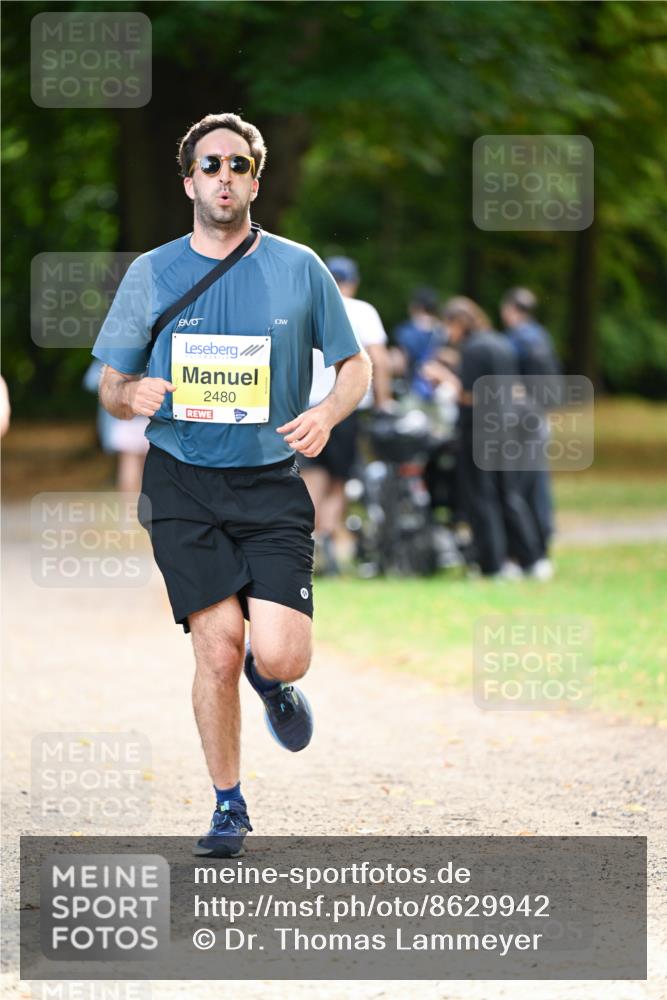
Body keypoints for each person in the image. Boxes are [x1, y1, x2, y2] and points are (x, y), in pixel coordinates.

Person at [92, 112, 371, 857]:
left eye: (238, 165)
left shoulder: (298, 267)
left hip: (271, 481)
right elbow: (113, 385)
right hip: (182, 482)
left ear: (255, 178)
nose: (224, 176)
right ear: (189, 180)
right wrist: (133, 396)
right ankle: (227, 804)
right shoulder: (151, 273)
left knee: (281, 654)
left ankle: (270, 679)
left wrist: (326, 414)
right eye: (210, 165)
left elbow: (355, 367)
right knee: (213, 651)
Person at [422, 297, 544, 579]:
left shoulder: (474, 349)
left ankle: (493, 563)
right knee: (508, 495)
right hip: (507, 427)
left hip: (479, 431)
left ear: (459, 322)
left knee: (481, 497)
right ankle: (531, 558)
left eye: (449, 326)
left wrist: (443, 376)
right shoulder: (500, 343)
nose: (448, 333)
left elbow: (469, 394)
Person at [299, 256, 392, 574]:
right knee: (339, 480)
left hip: (308, 404)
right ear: (353, 282)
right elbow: (378, 359)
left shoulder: (308, 305)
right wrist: (384, 402)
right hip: (347, 406)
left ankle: (307, 539)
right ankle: (326, 537)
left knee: (311, 476)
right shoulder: (363, 311)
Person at [500, 287, 559, 565]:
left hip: (521, 421)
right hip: (540, 418)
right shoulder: (541, 337)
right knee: (538, 483)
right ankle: (541, 543)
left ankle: (527, 552)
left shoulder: (516, 340)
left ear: (511, 310)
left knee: (518, 486)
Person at [84, 359, 149, 493]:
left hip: (127, 416)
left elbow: (91, 382)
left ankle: (130, 508)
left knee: (129, 462)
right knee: (146, 465)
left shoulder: (116, 353)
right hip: (150, 415)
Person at [391, 287, 446, 402]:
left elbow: (398, 364)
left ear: (416, 307)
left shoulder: (407, 330)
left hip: (412, 391)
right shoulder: (445, 331)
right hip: (441, 392)